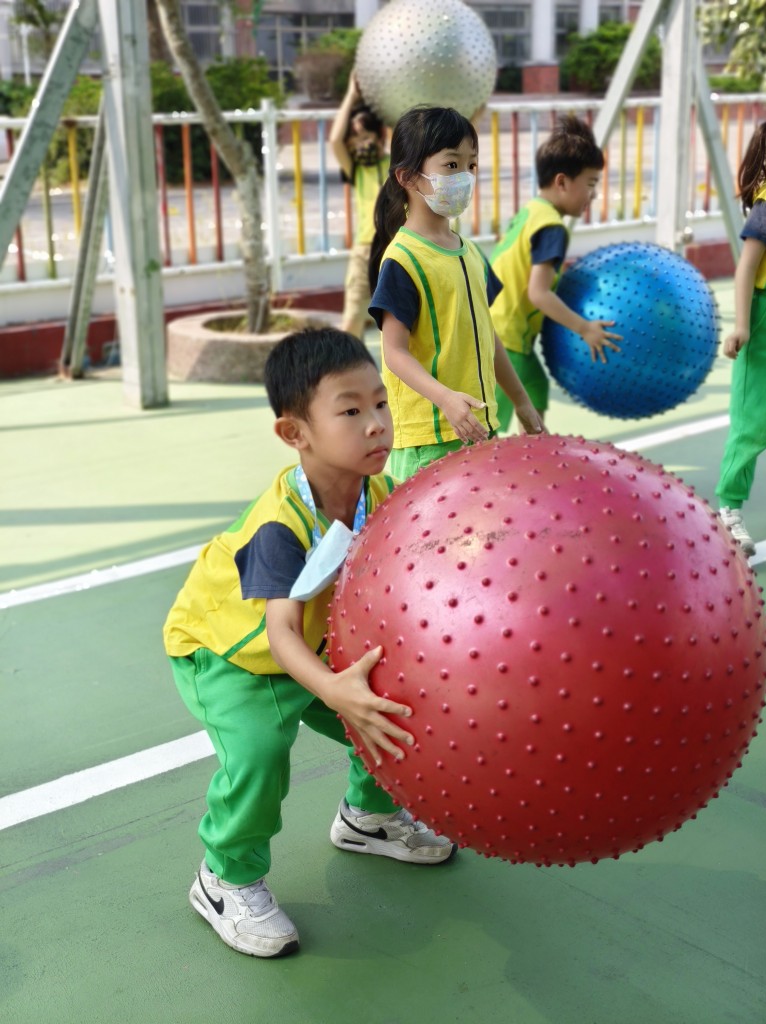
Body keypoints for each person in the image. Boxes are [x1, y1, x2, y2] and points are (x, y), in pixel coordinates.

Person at [163, 327, 455, 960]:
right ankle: (225, 878)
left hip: (315, 647)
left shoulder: (377, 493)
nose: (376, 423)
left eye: (380, 403)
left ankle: (367, 817)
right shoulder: (281, 525)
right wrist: (334, 691)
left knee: (391, 711)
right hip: (233, 654)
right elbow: (280, 633)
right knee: (260, 755)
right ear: (294, 433)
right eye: (350, 411)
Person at [367, 105, 544, 479]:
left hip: (478, 428)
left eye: (471, 165)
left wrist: (521, 402)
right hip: (430, 441)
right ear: (408, 177)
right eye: (451, 165)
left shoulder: (471, 252)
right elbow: (394, 353)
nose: (465, 176)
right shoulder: (403, 259)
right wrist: (446, 399)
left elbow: (487, 335)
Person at [490, 114, 622, 430]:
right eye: (590, 184)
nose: (594, 195)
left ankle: (534, 451)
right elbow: (538, 293)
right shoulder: (551, 227)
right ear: (562, 182)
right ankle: (524, 453)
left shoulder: (532, 211)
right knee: (486, 429)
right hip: (505, 337)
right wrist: (584, 328)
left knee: (535, 388)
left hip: (495, 326)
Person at [715, 121, 766, 557]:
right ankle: (729, 510)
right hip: (764, 320)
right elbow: (747, 267)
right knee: (752, 423)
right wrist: (743, 325)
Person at [330, 74, 389, 339]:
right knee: (352, 320)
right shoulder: (355, 169)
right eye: (354, 139)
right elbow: (335, 140)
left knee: (400, 323)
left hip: (395, 250)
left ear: (379, 135)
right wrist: (351, 97)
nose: (359, 143)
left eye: (365, 136)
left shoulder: (397, 165)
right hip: (364, 250)